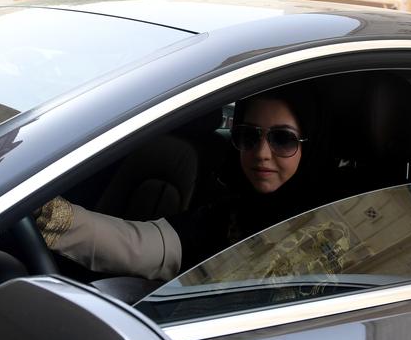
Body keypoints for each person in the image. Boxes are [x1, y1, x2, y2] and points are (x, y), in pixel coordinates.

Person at [36, 89, 316, 281]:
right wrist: (45, 212)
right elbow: (138, 245)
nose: (262, 153)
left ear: (310, 145)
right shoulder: (224, 216)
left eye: (283, 139)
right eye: (248, 136)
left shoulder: (340, 213)